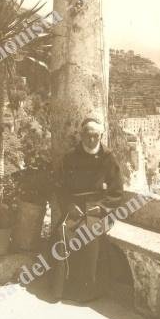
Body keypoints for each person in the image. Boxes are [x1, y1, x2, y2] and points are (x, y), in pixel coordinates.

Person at [49, 116, 124, 303]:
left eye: (96, 136)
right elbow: (60, 186)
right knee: (63, 233)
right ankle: (62, 289)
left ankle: (87, 292)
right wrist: (68, 205)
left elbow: (117, 191)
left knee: (90, 235)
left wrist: (103, 207)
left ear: (101, 136)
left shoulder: (108, 157)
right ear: (81, 135)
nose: (91, 140)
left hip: (98, 208)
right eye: (88, 135)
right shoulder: (70, 157)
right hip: (74, 205)